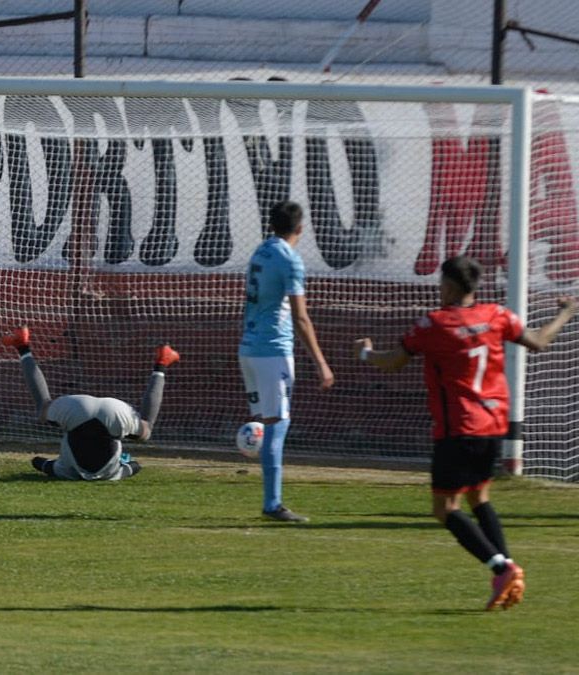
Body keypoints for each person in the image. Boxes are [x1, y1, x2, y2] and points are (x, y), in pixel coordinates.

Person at [356, 256, 576, 610]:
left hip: (458, 427)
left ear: (449, 286)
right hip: (494, 426)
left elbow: (394, 361)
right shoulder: (496, 315)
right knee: (479, 498)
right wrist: (566, 313)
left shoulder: (434, 324)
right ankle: (506, 571)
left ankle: (501, 567)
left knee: (444, 508)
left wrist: (366, 354)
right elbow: (537, 342)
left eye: (441, 284)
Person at [239, 200, 334, 522]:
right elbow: (301, 317)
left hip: (249, 349)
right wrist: (321, 362)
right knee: (278, 425)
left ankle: (270, 497)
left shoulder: (260, 251)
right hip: (272, 351)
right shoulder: (289, 259)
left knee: (268, 424)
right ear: (300, 228)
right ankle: (272, 504)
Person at [1, 326, 180, 481]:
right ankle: (22, 345)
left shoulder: (112, 474)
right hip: (76, 410)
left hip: (115, 412)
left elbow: (135, 466)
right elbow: (39, 463)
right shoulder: (65, 471)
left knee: (145, 429)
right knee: (43, 408)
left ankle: (162, 362)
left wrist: (124, 461)